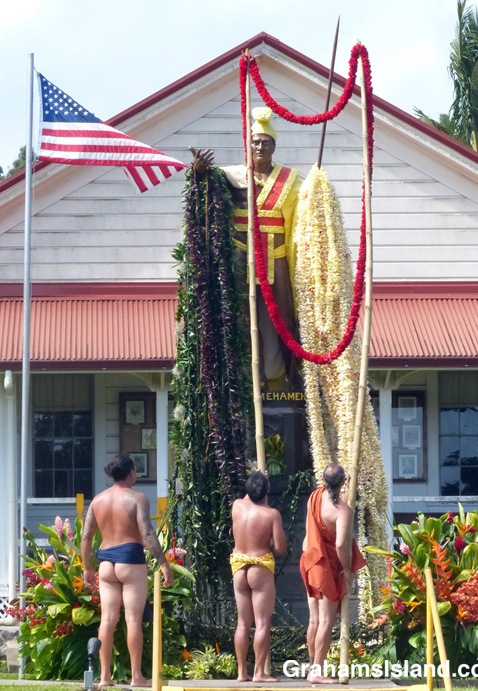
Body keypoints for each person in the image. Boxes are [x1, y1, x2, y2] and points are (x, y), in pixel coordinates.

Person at [189, 107, 302, 385]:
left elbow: (308, 210)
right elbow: (205, 191)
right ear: (248, 146)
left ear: (274, 146)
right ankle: (253, 375)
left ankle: (290, 373)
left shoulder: (292, 180)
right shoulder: (231, 177)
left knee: (285, 316)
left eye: (266, 143)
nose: (260, 147)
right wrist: (199, 172)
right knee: (244, 316)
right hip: (242, 256)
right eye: (255, 142)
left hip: (277, 257)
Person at [81, 453, 173, 688]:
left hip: (106, 562)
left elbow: (86, 536)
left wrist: (87, 568)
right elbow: (147, 534)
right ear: (131, 472)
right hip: (130, 559)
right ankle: (136, 677)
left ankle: (104, 678)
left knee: (108, 619)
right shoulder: (137, 498)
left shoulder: (97, 500)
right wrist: (164, 563)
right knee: (132, 620)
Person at [299, 464, 366, 684]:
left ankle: (312, 666)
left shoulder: (315, 496)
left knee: (315, 619)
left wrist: (347, 489)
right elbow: (339, 544)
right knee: (327, 621)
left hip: (309, 559)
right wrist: (347, 570)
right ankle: (316, 672)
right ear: (342, 481)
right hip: (324, 566)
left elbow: (335, 503)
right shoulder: (343, 511)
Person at [230, 470, 287, 682]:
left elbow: (249, 495)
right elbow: (280, 548)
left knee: (243, 624)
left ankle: (241, 672)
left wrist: (256, 479)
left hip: (238, 566)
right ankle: (259, 673)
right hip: (259, 566)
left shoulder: (237, 506)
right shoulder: (272, 514)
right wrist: (270, 542)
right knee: (262, 623)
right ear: (267, 492)